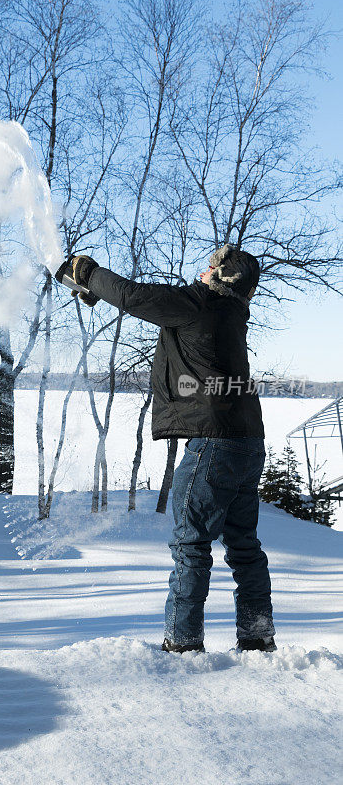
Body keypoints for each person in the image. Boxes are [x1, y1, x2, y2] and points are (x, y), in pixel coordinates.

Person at [58, 244, 276, 653]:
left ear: (220, 278)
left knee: (191, 543)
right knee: (244, 544)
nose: (203, 271)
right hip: (248, 441)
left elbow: (134, 296)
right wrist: (98, 290)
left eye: (210, 267)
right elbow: (147, 304)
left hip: (213, 442)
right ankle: (258, 636)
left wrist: (87, 274)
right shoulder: (231, 313)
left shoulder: (198, 303)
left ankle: (182, 643)